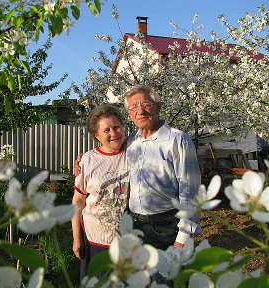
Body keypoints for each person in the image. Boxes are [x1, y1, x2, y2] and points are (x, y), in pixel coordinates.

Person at [74, 84, 201, 250]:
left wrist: (182, 240)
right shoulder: (132, 141)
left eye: (146, 104)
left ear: (158, 107)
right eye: (134, 107)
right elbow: (108, 150)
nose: (140, 111)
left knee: (166, 275)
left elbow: (191, 194)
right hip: (135, 227)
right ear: (129, 114)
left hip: (167, 227)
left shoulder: (177, 141)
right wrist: (83, 159)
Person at [71, 104, 129, 280]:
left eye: (117, 127)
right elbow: (78, 202)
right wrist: (76, 238)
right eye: (106, 130)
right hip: (97, 241)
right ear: (96, 136)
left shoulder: (135, 150)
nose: (114, 133)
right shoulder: (88, 160)